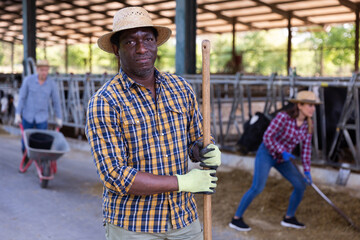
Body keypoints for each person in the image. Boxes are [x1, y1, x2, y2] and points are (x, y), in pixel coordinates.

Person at [85, 7, 221, 240]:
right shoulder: (105, 101)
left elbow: (196, 139)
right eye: (130, 42)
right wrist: (181, 182)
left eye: (148, 39)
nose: (141, 48)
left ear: (156, 43)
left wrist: (205, 150)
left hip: (183, 219)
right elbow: (114, 175)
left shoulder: (180, 88)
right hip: (134, 225)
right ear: (116, 50)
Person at [229, 91, 320, 231]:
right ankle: (236, 219)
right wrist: (281, 150)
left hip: (283, 159)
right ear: (300, 105)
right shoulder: (283, 117)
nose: (313, 109)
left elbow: (306, 150)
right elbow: (267, 137)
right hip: (267, 154)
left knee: (301, 185)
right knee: (257, 188)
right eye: (310, 105)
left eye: (314, 106)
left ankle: (289, 218)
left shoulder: (308, 124)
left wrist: (307, 170)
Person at [15, 59, 62, 153]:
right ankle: (26, 157)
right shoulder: (28, 81)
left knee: (42, 142)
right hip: (28, 116)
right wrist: (17, 114)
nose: (44, 72)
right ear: (37, 69)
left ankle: (41, 162)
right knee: (25, 142)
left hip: (42, 118)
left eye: (46, 70)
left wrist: (59, 117)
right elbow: (22, 98)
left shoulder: (51, 84)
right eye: (42, 70)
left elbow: (56, 101)